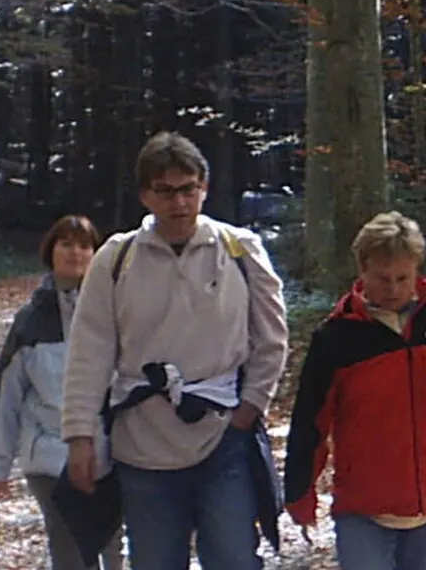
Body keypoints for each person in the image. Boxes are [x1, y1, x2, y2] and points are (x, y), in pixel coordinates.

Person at [58, 131, 290, 570]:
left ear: (204, 187)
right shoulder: (116, 258)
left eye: (188, 189)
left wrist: (252, 406)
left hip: (224, 435)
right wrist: (80, 435)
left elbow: (271, 336)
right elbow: (90, 350)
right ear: (146, 194)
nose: (178, 203)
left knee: (234, 559)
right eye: (165, 191)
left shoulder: (240, 250)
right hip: (142, 442)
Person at [284, 211, 426, 570]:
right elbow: (310, 422)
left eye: (404, 277)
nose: (394, 288)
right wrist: (300, 495)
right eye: (383, 278)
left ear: (417, 270)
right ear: (362, 271)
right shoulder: (336, 338)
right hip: (363, 508)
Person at [0, 214, 125, 570]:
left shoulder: (115, 313)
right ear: (51, 250)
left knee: (111, 547)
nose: (75, 252)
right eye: (66, 243)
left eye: (84, 245)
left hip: (110, 453)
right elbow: (8, 397)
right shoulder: (29, 321)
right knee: (69, 551)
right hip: (48, 456)